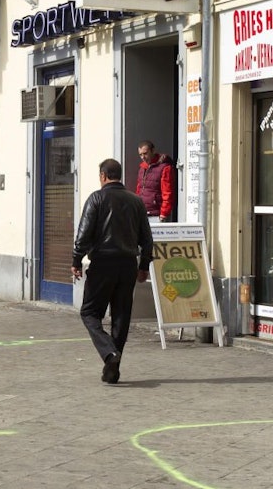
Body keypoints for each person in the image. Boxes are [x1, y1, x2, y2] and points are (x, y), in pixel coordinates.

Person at [71, 158, 153, 384]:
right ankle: (112, 369)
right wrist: (144, 266)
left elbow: (83, 235)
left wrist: (76, 260)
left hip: (103, 264)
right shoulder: (136, 201)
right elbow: (147, 238)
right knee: (121, 316)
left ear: (103, 176)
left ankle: (109, 352)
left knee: (89, 312)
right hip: (127, 265)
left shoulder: (96, 198)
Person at [136, 140, 176, 222]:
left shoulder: (164, 168)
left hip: (157, 213)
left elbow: (168, 192)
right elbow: (139, 189)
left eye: (145, 153)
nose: (143, 157)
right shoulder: (142, 168)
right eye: (140, 155)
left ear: (153, 151)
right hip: (142, 212)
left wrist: (164, 213)